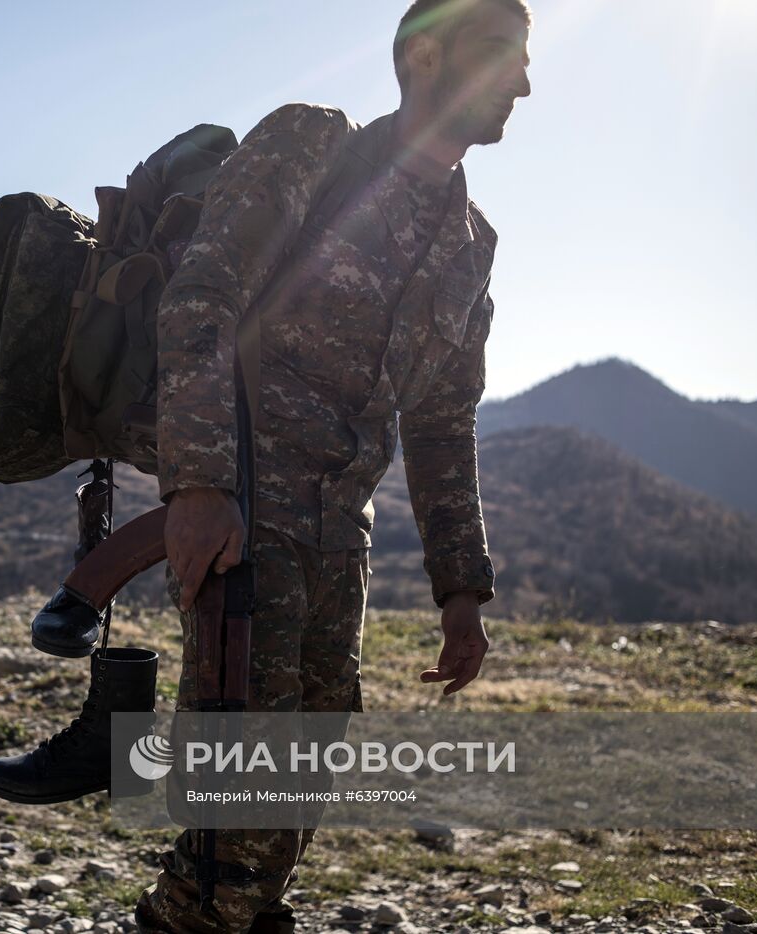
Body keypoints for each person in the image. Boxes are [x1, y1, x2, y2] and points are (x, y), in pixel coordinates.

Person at [135, 0, 533, 931]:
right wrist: (196, 484)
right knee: (234, 797)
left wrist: (461, 590)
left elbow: (442, 423)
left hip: (336, 540)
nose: (522, 80)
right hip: (242, 511)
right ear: (424, 58)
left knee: (295, 788)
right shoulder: (314, 147)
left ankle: (227, 914)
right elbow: (201, 300)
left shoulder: (471, 246)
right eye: (500, 55)